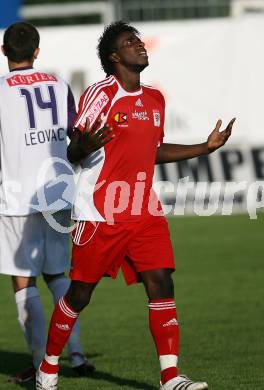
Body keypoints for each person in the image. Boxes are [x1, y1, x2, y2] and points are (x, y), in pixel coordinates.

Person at [36, 21, 235, 390]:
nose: (140, 46)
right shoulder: (100, 93)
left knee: (161, 281)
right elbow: (73, 151)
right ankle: (48, 367)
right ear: (114, 56)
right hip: (100, 210)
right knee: (80, 294)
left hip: (144, 209)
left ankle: (170, 377)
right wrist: (84, 146)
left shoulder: (155, 98)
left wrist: (203, 148)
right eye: (131, 42)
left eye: (140, 40)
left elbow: (153, 151)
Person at [0, 22, 102, 382]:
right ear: (37, 52)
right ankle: (74, 353)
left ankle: (42, 362)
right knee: (58, 275)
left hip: (16, 197)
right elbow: (76, 137)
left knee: (24, 282)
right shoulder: (59, 85)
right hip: (58, 192)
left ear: (3, 51)